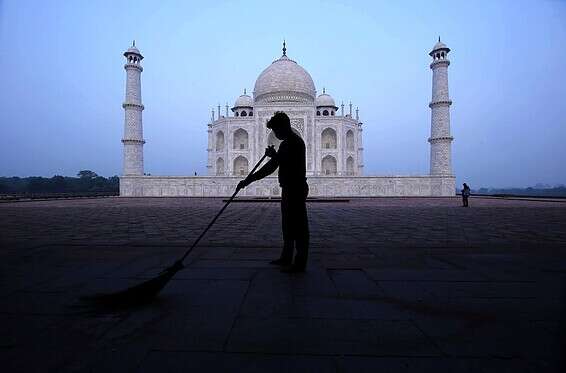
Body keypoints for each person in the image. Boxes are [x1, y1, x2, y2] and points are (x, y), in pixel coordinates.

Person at [237, 112, 309, 273]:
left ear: (283, 127)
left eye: (276, 130)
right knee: (289, 224)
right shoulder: (290, 143)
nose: (275, 134)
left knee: (298, 225)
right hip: (290, 187)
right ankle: (287, 256)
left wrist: (248, 180)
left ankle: (299, 262)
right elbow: (279, 162)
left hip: (295, 187)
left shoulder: (293, 143)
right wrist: (274, 156)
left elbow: (273, 166)